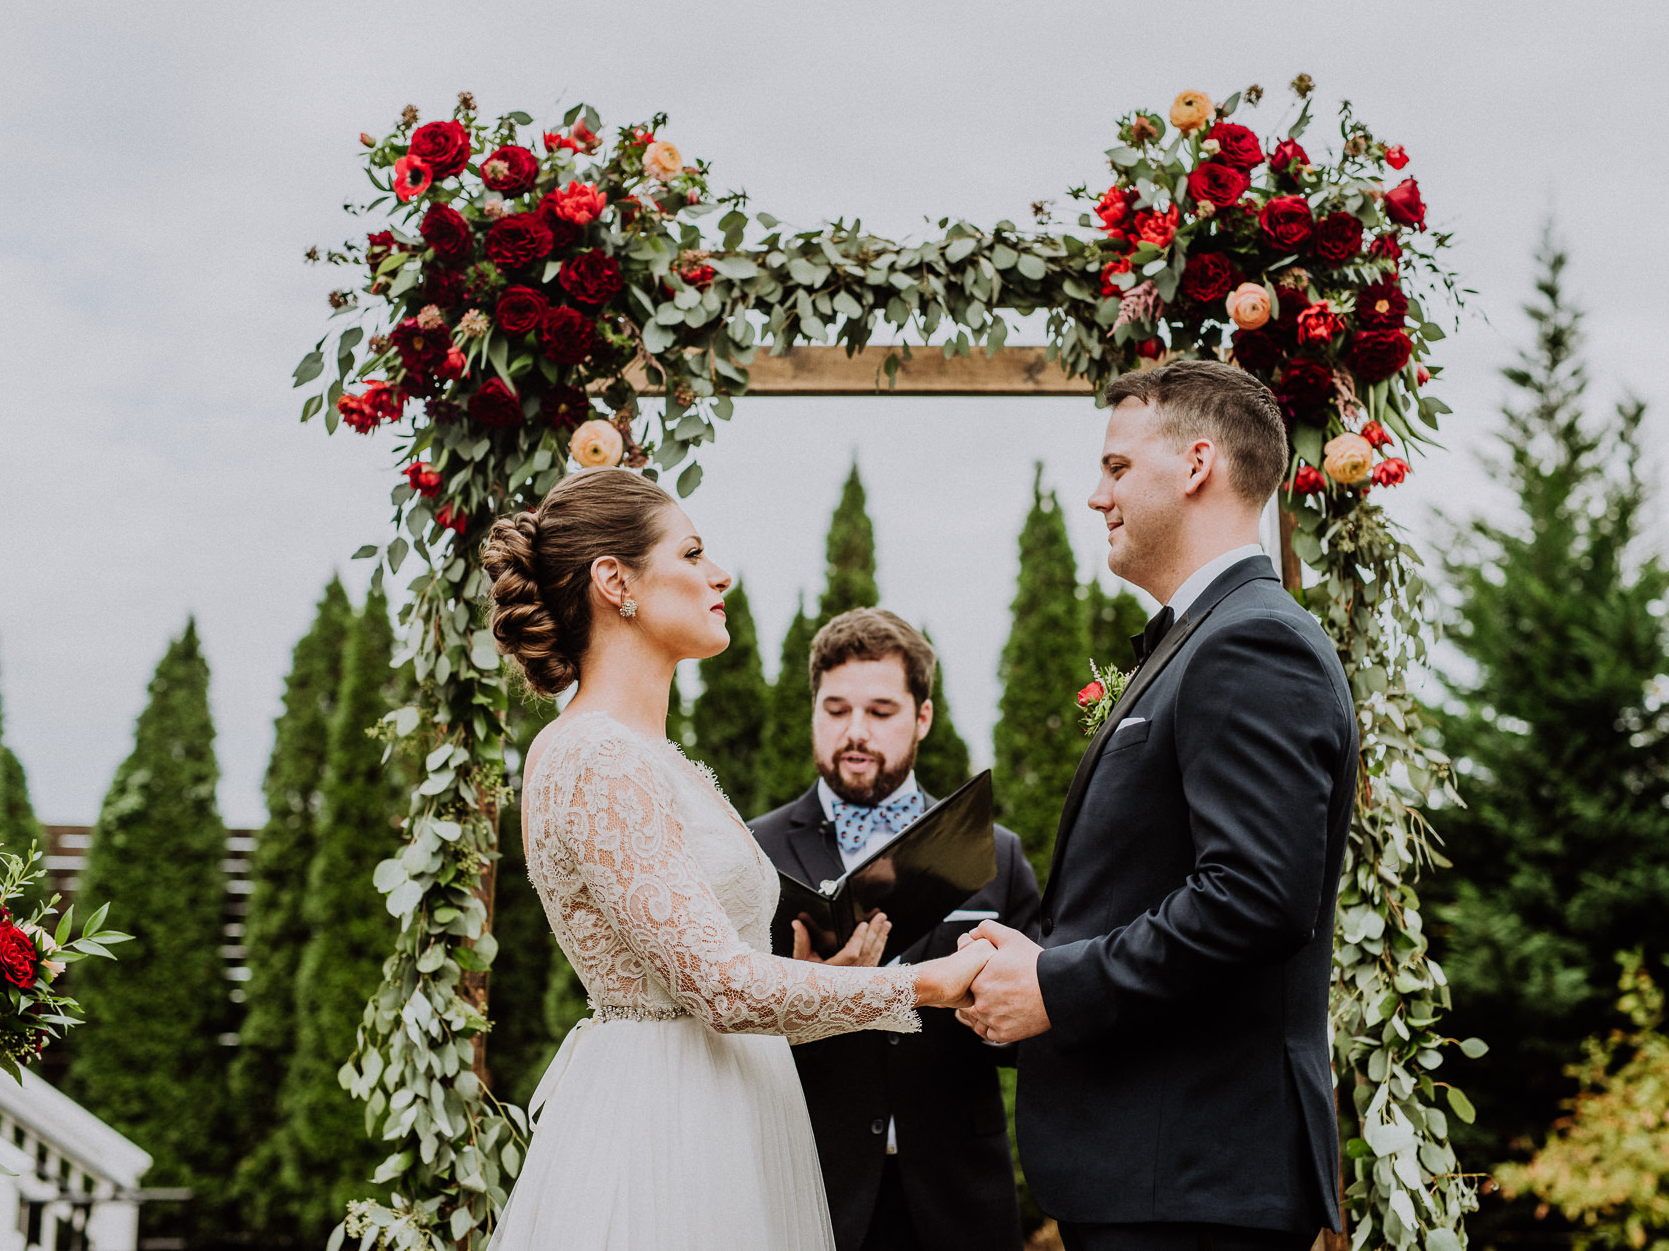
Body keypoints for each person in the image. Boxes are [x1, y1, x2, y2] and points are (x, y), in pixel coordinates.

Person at [480, 468, 997, 1251]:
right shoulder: (596, 756)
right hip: (669, 1136)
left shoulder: (656, 759)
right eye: (691, 552)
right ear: (615, 581)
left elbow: (712, 991)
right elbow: (718, 988)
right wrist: (922, 984)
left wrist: (841, 982)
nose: (719, 573)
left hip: (732, 1109)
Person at [957, 359, 1357, 1251]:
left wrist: (1055, 984)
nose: (1097, 495)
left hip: (1194, 1184)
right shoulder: (1209, 637)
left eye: (1117, 467)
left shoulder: (1250, 641)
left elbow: (1254, 897)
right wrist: (1035, 956)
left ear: (1198, 464)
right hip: (1162, 1176)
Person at [750, 609, 1040, 1251]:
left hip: (960, 1201)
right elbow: (724, 1039)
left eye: (881, 711)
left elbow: (1035, 1036)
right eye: (836, 709)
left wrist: (988, 1000)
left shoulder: (996, 853)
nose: (855, 732)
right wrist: (813, 1001)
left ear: (923, 718)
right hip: (809, 1195)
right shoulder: (753, 854)